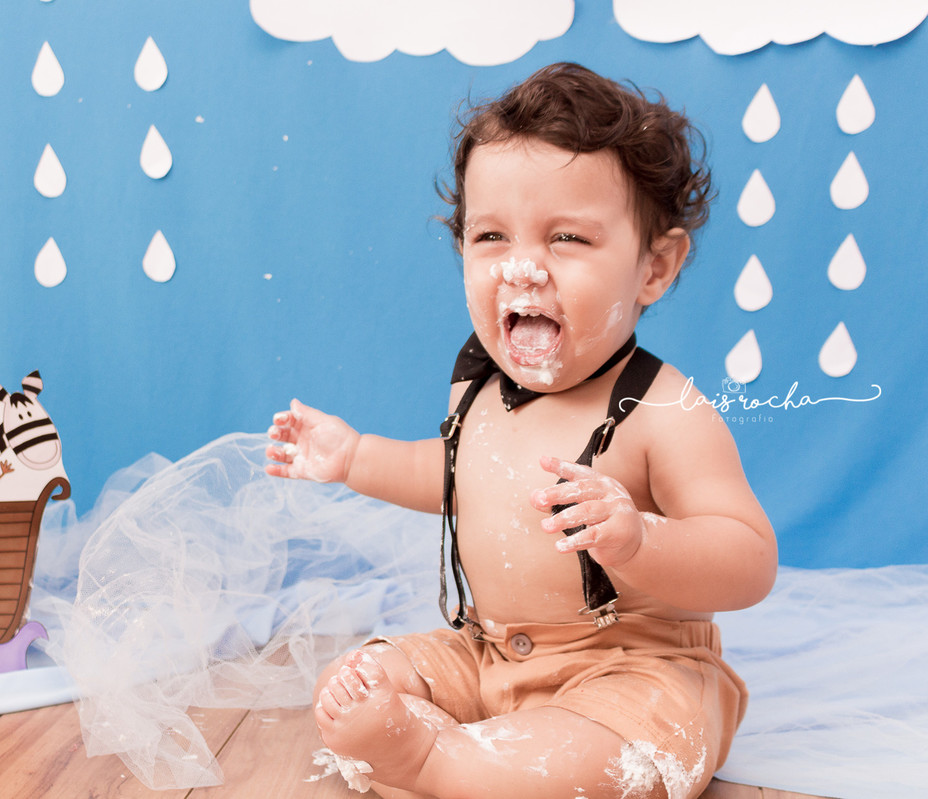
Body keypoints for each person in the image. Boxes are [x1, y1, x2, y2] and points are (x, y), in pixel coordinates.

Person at [265, 63, 776, 799]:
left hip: (633, 671)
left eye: (566, 237)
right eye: (492, 236)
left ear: (655, 267)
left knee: (609, 753)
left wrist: (640, 539)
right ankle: (449, 747)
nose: (523, 268)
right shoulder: (478, 385)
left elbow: (749, 559)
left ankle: (442, 762)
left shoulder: (664, 409)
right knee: (357, 681)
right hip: (490, 654)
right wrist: (356, 457)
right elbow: (455, 475)